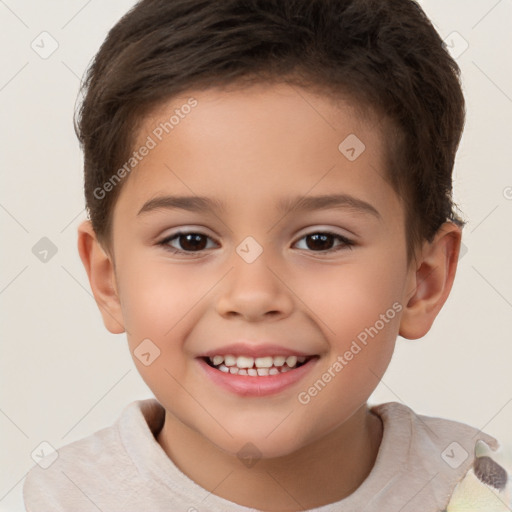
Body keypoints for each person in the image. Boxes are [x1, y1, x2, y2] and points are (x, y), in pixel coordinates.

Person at [23, 0, 511, 510]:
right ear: (108, 280)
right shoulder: (59, 499)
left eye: (321, 240)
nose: (252, 296)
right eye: (190, 240)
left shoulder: (480, 492)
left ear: (424, 281)